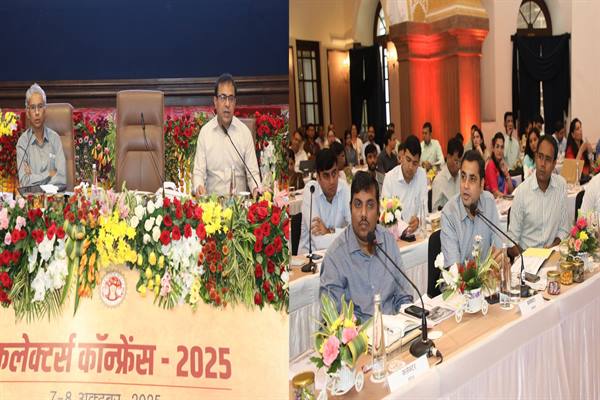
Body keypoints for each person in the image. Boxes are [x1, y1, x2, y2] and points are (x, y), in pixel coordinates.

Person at [320, 171, 413, 321]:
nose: (363, 213)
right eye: (358, 205)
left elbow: (404, 297)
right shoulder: (334, 258)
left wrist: (404, 323)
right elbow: (332, 321)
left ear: (378, 211)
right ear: (350, 208)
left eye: (370, 205)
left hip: (395, 331)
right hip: (358, 335)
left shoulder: (388, 242)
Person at [192, 74, 260, 197]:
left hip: (239, 205)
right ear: (215, 101)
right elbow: (198, 173)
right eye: (223, 97)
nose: (227, 104)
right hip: (212, 205)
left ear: (235, 102)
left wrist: (256, 189)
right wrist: (198, 186)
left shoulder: (244, 133)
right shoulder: (205, 133)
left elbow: (253, 174)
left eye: (231, 98)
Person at [440, 150, 504, 267]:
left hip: (487, 277)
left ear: (482, 184)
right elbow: (455, 271)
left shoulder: (488, 202)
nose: (465, 185)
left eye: (472, 179)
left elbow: (499, 251)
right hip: (460, 279)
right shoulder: (449, 214)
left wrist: (499, 259)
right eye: (463, 177)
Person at [508, 135, 569, 257]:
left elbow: (564, 230)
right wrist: (531, 256)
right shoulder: (522, 192)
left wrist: (552, 248)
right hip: (527, 260)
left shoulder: (561, 186)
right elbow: (511, 242)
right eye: (540, 157)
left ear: (554, 164)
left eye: (548, 159)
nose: (542, 164)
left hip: (552, 257)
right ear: (535, 157)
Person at [298, 148, 351, 255]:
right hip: (309, 258)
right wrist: (344, 233)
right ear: (318, 177)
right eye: (326, 176)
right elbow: (319, 242)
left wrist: (329, 231)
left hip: (336, 254)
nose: (332, 181)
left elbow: (355, 230)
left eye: (334, 173)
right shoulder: (311, 191)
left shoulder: (344, 188)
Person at [16, 83, 67, 191]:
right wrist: (49, 174)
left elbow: (61, 178)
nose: (37, 112)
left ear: (45, 110)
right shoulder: (23, 143)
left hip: (54, 198)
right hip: (31, 199)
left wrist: (34, 180)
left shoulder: (55, 139)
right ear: (28, 113)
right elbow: (24, 182)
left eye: (40, 106)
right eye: (32, 108)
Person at [381, 135, 427, 235]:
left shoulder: (422, 175)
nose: (410, 167)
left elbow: (424, 207)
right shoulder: (390, 178)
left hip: (417, 235)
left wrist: (418, 219)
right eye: (408, 160)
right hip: (395, 237)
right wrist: (403, 228)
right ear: (402, 157)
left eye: (415, 163)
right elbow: (386, 215)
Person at [432, 137, 463, 211]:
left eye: (460, 161)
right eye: (456, 161)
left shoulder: (462, 177)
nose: (459, 166)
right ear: (448, 157)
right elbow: (435, 212)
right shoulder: (438, 181)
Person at [485, 132, 514, 198]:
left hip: (503, 200)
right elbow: (495, 193)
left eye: (502, 147)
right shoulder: (491, 165)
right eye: (497, 147)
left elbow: (511, 190)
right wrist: (509, 198)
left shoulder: (502, 164)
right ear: (493, 148)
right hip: (493, 202)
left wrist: (506, 174)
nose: (499, 150)